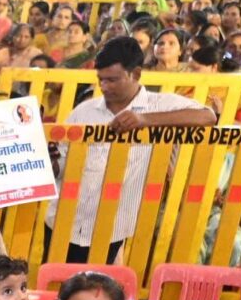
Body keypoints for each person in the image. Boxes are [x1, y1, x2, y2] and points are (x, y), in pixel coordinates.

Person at [58, 38, 219, 260]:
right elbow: (61, 163)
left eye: (112, 80)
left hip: (114, 225)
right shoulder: (84, 111)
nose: (104, 86)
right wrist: (51, 160)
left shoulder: (158, 104)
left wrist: (145, 120)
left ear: (136, 74)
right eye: (100, 79)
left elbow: (207, 117)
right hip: (65, 219)